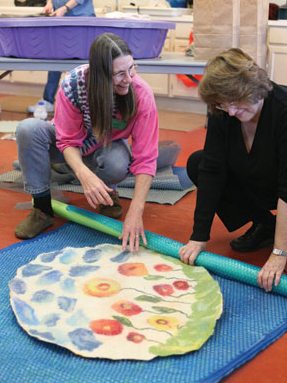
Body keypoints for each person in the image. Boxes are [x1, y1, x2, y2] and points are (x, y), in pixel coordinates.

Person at [15, 33, 160, 253]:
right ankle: (42, 209)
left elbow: (146, 157)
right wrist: (84, 175)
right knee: (28, 129)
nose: (129, 79)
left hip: (104, 148)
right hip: (71, 146)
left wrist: (136, 212)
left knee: (118, 162)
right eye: (120, 73)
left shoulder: (140, 94)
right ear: (100, 76)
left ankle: (107, 192)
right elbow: (66, 140)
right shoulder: (73, 84)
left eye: (132, 68)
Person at [179, 48, 287, 293]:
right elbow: (212, 169)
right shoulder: (223, 108)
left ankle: (279, 234)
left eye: (235, 103)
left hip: (282, 185)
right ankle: (266, 226)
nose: (230, 113)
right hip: (261, 179)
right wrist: (199, 236)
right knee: (198, 162)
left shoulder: (283, 110)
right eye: (222, 105)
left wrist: (280, 253)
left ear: (252, 88)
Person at [27, 0, 95, 114]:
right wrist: (49, 3)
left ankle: (86, 104)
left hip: (81, 19)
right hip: (60, 18)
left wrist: (65, 8)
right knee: (55, 58)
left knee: (81, 65)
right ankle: (48, 100)